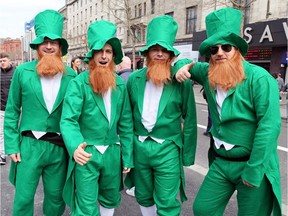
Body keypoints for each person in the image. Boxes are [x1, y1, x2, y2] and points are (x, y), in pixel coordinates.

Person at [174, 7, 282, 216]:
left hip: (251, 163)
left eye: (226, 47)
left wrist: (254, 168)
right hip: (221, 163)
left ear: (237, 49)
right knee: (203, 209)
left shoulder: (259, 78)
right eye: (213, 49)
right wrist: (181, 67)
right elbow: (183, 62)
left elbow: (269, 126)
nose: (220, 52)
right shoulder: (207, 72)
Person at [4, 10, 76, 215]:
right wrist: (11, 144)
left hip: (59, 147)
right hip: (28, 146)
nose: (49, 46)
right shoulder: (22, 71)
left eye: (54, 41)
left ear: (60, 46)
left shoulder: (71, 75)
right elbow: (12, 111)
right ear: (37, 45)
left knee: (56, 199)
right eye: (44, 41)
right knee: (24, 198)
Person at [125, 15, 197, 216]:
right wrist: (127, 152)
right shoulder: (134, 80)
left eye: (164, 50)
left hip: (168, 148)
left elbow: (190, 119)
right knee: (144, 195)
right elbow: (127, 118)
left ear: (171, 54)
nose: (159, 54)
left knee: (166, 202)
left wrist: (187, 155)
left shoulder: (180, 81)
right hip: (139, 147)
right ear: (147, 52)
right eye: (155, 49)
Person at [60, 20, 133, 216]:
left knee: (110, 199)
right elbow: (68, 120)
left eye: (108, 51)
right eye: (99, 50)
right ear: (92, 54)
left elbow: (126, 123)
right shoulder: (78, 83)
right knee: (86, 206)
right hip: (87, 153)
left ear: (113, 55)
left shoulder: (120, 84)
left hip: (112, 152)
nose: (104, 55)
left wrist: (127, 156)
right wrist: (75, 147)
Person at [0, 53, 15, 165]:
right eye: (0, 61)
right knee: (1, 133)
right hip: (1, 108)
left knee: (15, 131)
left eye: (4, 60)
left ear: (9, 61)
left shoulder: (16, 73)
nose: (2, 63)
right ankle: (2, 155)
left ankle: (17, 152)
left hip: (14, 108)